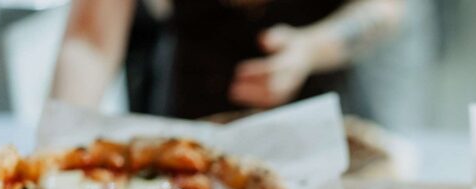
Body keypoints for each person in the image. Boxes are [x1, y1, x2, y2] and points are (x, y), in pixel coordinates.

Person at [50, 0, 406, 120]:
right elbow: (90, 42)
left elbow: (386, 8)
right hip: (194, 121)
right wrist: (57, 150)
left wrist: (309, 49)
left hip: (325, 115)